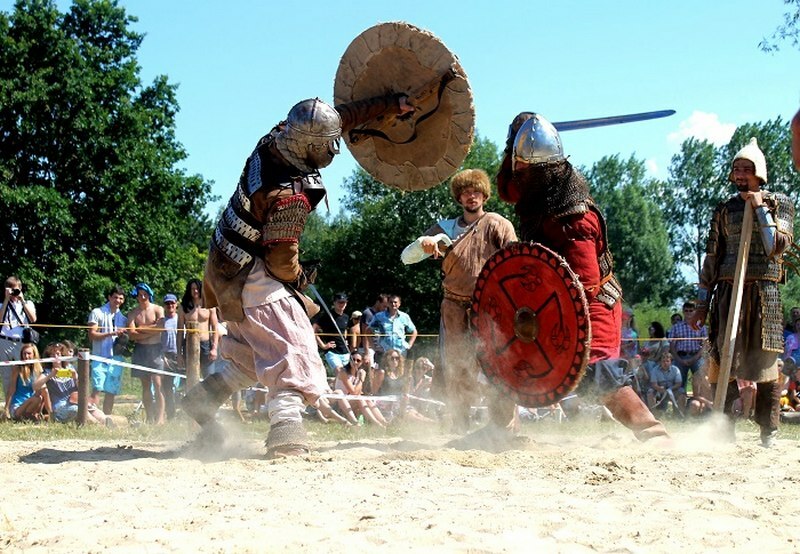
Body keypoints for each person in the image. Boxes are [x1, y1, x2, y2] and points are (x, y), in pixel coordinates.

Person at [181, 94, 414, 457]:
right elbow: (281, 260)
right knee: (294, 347)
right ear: (310, 145)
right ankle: (286, 431)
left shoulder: (276, 137)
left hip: (225, 262)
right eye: (326, 144)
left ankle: (203, 399)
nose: (333, 148)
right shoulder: (288, 195)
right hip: (255, 272)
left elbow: (334, 119)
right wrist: (300, 278)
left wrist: (388, 104)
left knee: (256, 350)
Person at [496, 112, 669, 442]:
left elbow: (583, 281)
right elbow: (507, 188)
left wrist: (560, 323)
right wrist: (512, 146)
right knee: (506, 357)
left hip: (593, 306)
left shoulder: (574, 217)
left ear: (542, 173)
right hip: (552, 302)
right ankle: (501, 432)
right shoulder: (540, 195)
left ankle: (654, 434)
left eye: (524, 169)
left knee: (598, 375)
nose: (519, 176)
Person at [689, 137, 794, 447]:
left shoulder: (780, 204)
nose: (739, 176)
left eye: (746, 170)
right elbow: (712, 259)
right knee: (723, 362)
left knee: (764, 364)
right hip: (727, 292)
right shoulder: (724, 209)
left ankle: (768, 430)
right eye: (736, 170)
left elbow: (777, 246)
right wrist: (702, 305)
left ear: (759, 172)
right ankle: (723, 428)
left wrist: (760, 208)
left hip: (764, 293)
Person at [401, 168, 517, 433]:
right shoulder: (446, 228)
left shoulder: (498, 224)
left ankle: (503, 427)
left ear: (484, 195)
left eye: (476, 191)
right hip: (453, 307)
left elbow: (515, 260)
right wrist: (425, 243)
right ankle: (459, 427)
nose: (471, 196)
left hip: (491, 306)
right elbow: (408, 256)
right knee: (456, 367)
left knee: (498, 364)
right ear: (459, 197)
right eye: (466, 192)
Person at [35, 342, 111, 425]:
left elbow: (83, 390)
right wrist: (50, 375)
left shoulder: (70, 368)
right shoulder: (47, 372)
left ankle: (107, 424)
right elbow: (36, 386)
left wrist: (76, 377)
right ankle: (99, 427)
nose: (56, 357)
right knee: (79, 410)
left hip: (76, 401)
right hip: (60, 408)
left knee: (95, 411)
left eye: (58, 354)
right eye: (52, 355)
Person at [127, 283, 166, 424]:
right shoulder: (132, 313)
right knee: (145, 385)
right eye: (140, 294)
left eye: (145, 294)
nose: (143, 297)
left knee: (158, 383)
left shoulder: (158, 309)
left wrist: (142, 328)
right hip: (140, 350)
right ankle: (149, 417)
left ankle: (160, 418)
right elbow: (131, 334)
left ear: (149, 294)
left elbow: (161, 327)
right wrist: (150, 332)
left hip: (155, 349)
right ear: (136, 296)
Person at [87, 285, 128, 415]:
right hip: (99, 356)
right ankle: (92, 416)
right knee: (97, 388)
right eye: (115, 297)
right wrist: (111, 333)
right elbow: (92, 334)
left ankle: (107, 417)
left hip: (116, 358)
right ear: (109, 297)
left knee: (111, 391)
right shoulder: (97, 312)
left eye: (121, 298)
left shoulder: (123, 318)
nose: (118, 300)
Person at [0, 275, 37, 399]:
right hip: (5, 341)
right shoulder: (2, 304)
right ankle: (9, 406)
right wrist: (6, 300)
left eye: (15, 289)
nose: (13, 293)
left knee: (24, 373)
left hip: (22, 343)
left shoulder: (28, 303)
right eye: (10, 289)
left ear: (20, 289)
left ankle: (24, 402)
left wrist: (22, 300)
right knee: (6, 375)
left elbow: (33, 319)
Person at [177, 280, 219, 379]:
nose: (195, 291)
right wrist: (179, 353)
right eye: (192, 289)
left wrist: (214, 348)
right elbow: (179, 332)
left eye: (197, 288)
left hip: (205, 344)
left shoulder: (209, 305)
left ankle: (208, 395)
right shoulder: (183, 307)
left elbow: (215, 328)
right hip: (189, 344)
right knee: (191, 377)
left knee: (208, 378)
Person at [332, 352, 386, 427]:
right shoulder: (343, 372)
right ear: (349, 360)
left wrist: (360, 378)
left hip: (350, 402)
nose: (355, 362)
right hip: (340, 403)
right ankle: (375, 423)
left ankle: (383, 421)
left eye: (358, 360)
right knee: (360, 399)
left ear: (361, 362)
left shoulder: (359, 373)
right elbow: (354, 392)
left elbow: (358, 392)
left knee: (367, 400)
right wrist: (361, 380)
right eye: (353, 359)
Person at [312, 293, 356, 376]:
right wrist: (323, 345)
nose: (342, 304)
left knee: (348, 376)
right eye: (339, 302)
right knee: (340, 373)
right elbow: (313, 330)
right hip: (332, 352)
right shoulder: (327, 316)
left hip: (345, 352)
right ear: (334, 303)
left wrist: (346, 340)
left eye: (344, 302)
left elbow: (345, 330)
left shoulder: (346, 317)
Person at [667, 301, 707, 391]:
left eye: (691, 310)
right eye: (686, 310)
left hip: (697, 356)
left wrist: (695, 358)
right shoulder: (676, 327)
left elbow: (705, 345)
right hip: (680, 357)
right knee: (679, 384)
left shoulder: (701, 326)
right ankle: (680, 403)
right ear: (683, 311)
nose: (688, 312)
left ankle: (701, 402)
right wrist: (678, 359)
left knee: (702, 380)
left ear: (695, 311)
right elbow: (672, 345)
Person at [368, 294, 418, 361]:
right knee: (383, 371)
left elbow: (414, 331)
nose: (393, 304)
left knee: (400, 371)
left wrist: (409, 345)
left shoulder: (404, 317)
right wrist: (374, 347)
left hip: (401, 351)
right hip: (384, 351)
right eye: (391, 302)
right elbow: (368, 330)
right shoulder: (379, 316)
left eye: (395, 302)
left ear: (399, 304)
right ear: (388, 303)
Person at [3, 342, 45, 421]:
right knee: (36, 398)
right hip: (17, 405)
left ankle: (31, 415)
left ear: (34, 355)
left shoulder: (39, 370)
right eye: (24, 354)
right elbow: (11, 389)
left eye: (29, 353)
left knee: (39, 397)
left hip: (32, 404)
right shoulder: (18, 368)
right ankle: (24, 416)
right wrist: (6, 408)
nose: (26, 356)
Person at [159, 293, 180, 419]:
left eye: (172, 303)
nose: (170, 306)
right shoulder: (161, 321)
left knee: (189, 384)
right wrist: (162, 356)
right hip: (166, 356)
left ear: (176, 304)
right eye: (167, 303)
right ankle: (170, 415)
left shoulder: (181, 319)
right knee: (167, 387)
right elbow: (157, 339)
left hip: (180, 355)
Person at [645, 352, 686, 417]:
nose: (665, 363)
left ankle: (679, 415)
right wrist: (659, 388)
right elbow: (653, 384)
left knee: (682, 392)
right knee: (650, 392)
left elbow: (678, 383)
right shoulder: (655, 370)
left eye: (667, 361)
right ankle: (654, 415)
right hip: (659, 390)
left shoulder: (675, 370)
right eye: (663, 361)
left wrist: (670, 389)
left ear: (671, 362)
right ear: (660, 362)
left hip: (672, 390)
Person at [360, 294, 389, 368]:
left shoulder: (382, 315)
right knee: (370, 370)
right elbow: (364, 334)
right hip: (369, 348)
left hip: (379, 348)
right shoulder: (368, 314)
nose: (385, 309)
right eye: (384, 306)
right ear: (378, 302)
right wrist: (366, 353)